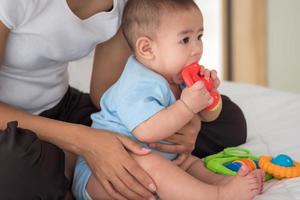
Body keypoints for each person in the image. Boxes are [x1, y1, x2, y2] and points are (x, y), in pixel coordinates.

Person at [0, 0, 247, 199]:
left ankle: (63, 164)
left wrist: (185, 117)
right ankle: (71, 165)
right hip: (7, 121)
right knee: (15, 172)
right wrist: (85, 141)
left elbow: (107, 92)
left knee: (229, 122)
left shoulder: (126, 4)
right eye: (186, 40)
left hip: (62, 104)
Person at [73, 0, 264, 200]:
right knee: (153, 165)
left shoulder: (174, 73)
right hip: (105, 173)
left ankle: (219, 181)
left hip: (159, 157)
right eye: (185, 40)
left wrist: (208, 96)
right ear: (147, 48)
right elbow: (147, 131)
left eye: (199, 36)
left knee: (190, 162)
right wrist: (186, 106)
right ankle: (217, 195)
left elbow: (208, 117)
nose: (197, 48)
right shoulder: (136, 83)